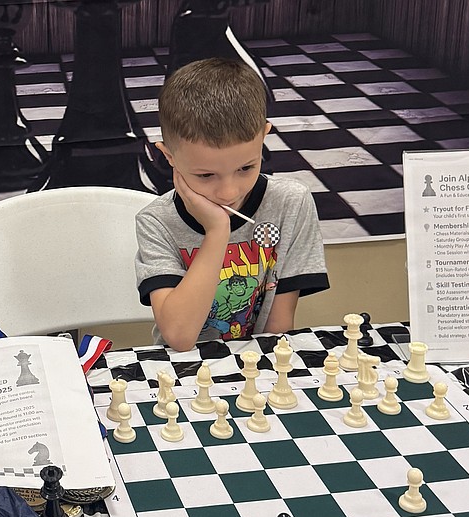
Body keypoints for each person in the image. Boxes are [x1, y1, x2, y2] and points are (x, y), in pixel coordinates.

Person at [135, 58, 329, 351]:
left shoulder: (290, 203)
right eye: (206, 175)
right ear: (169, 157)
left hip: (259, 362)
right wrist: (217, 231)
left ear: (264, 136)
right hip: (184, 367)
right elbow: (179, 337)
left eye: (246, 168)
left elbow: (277, 328)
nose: (228, 192)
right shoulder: (155, 222)